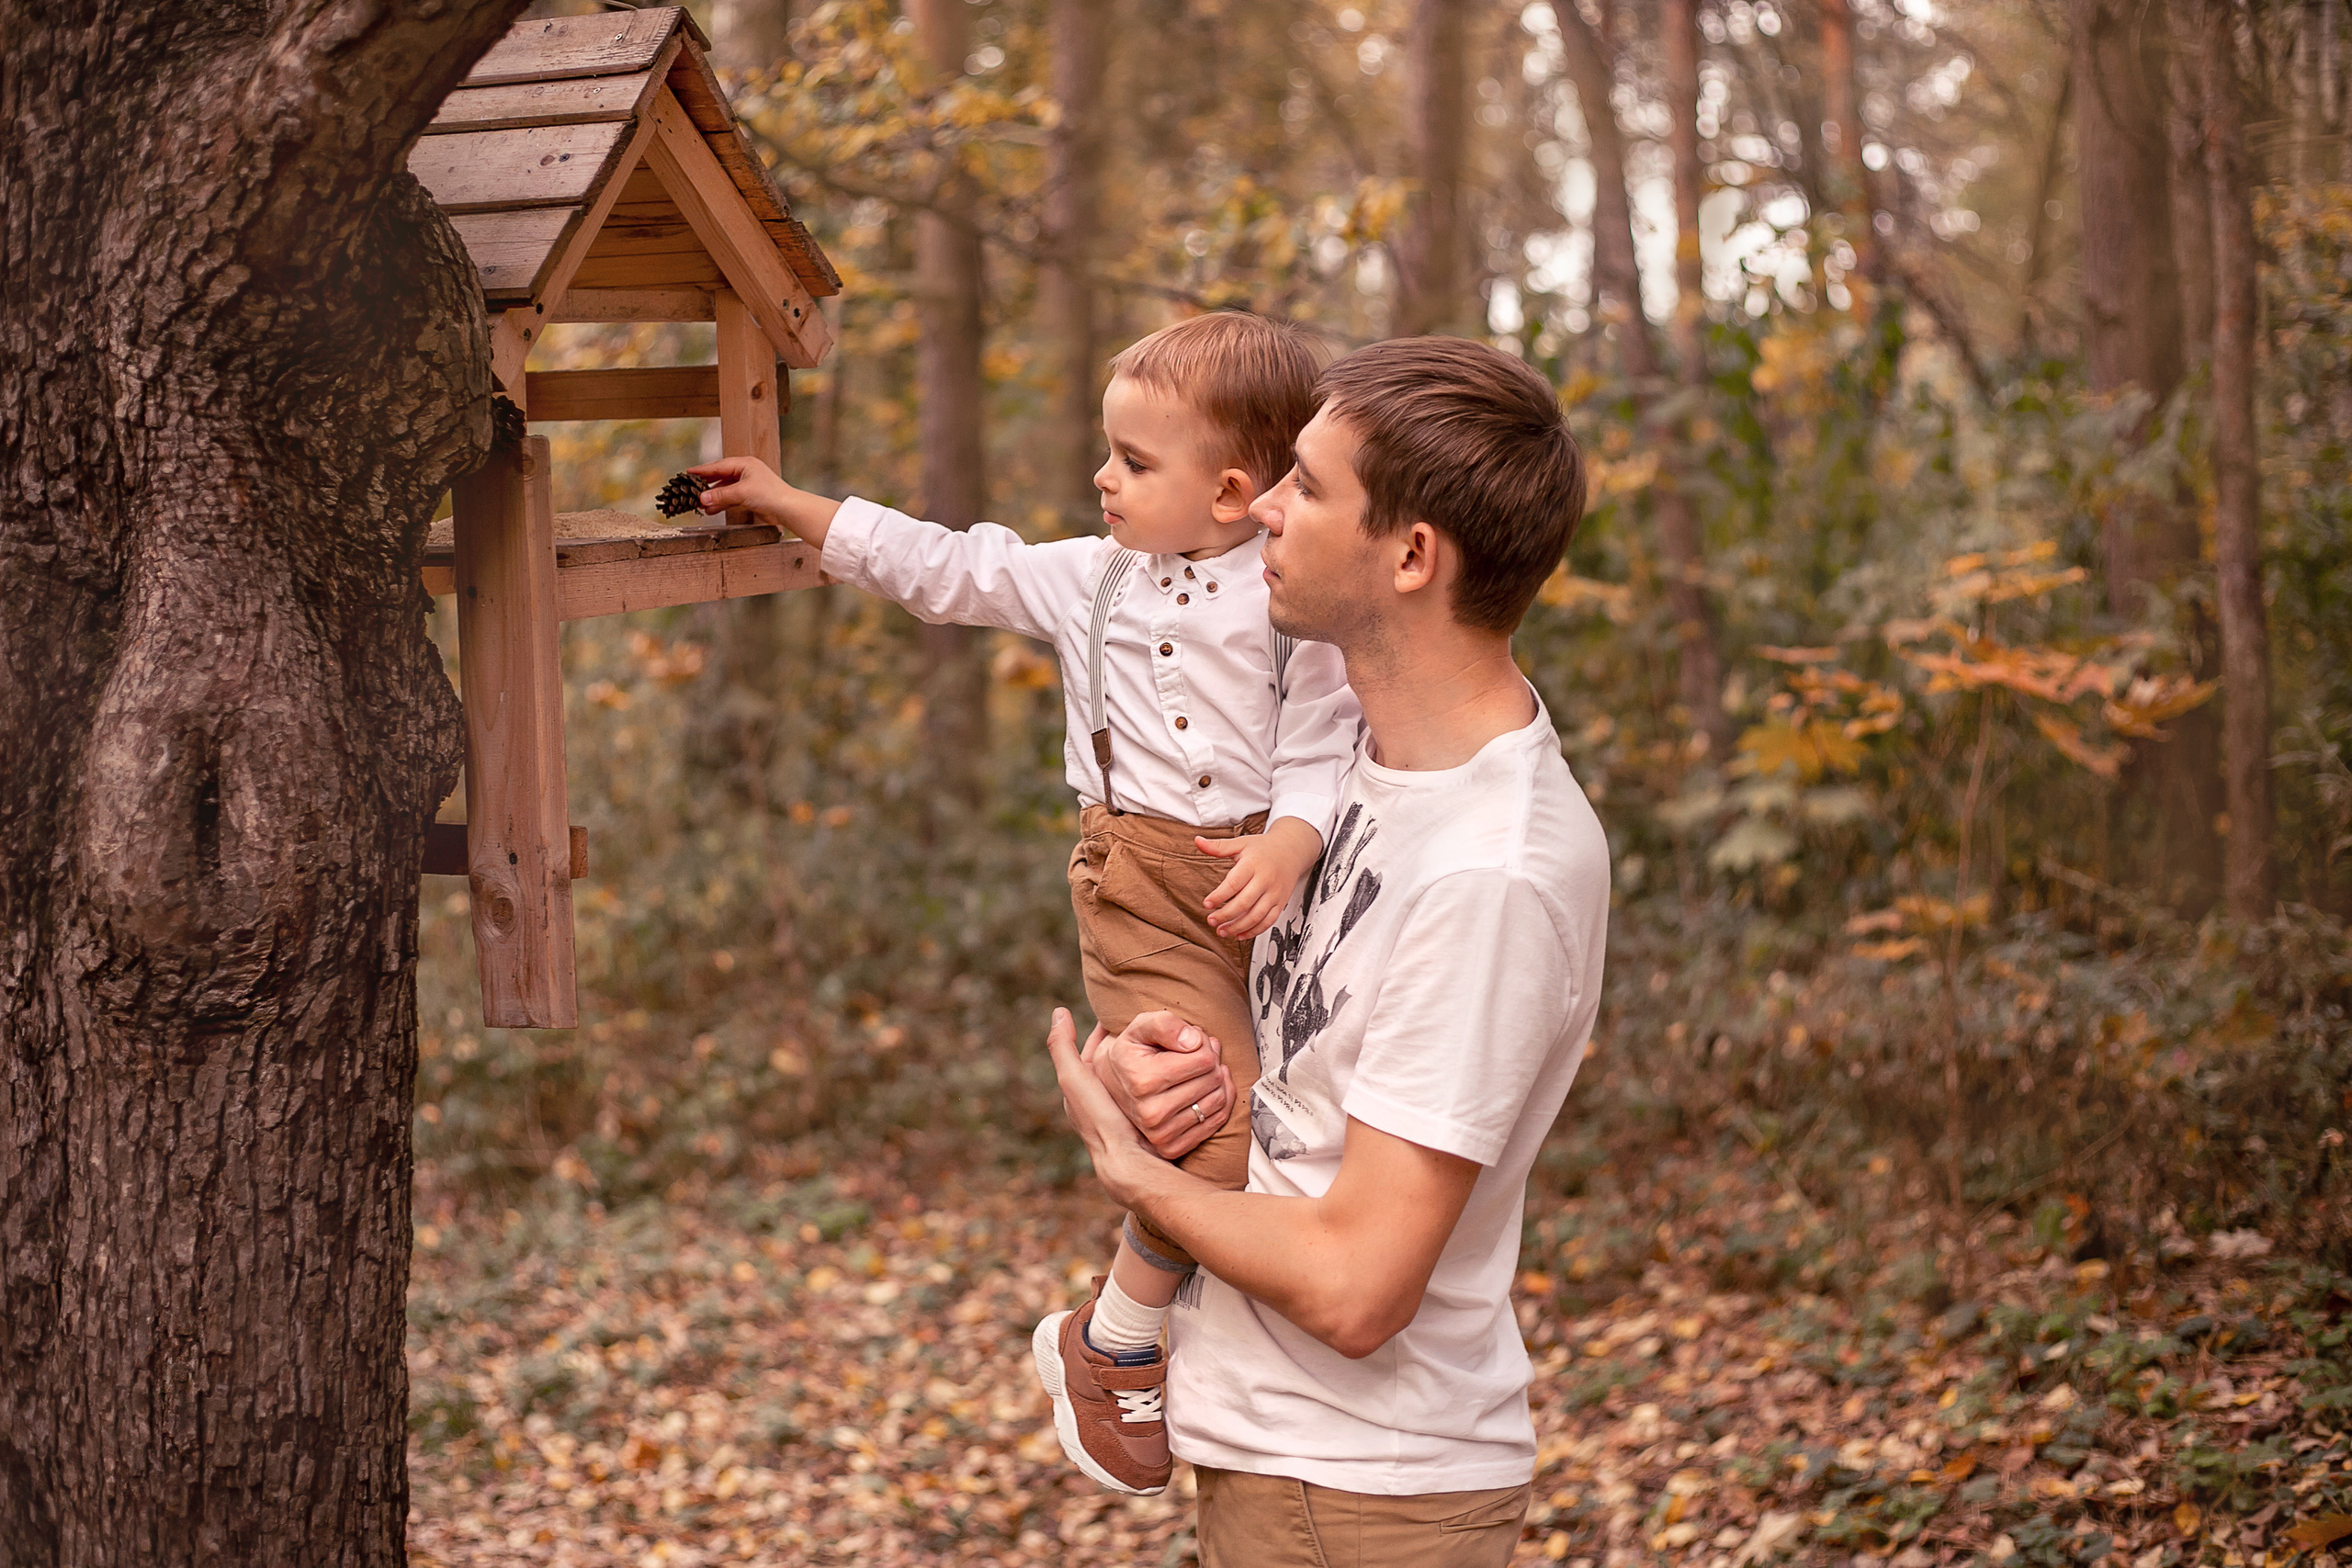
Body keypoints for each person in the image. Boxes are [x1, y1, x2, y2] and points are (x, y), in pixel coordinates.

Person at [684, 311, 1362, 1498]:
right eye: (1110, 452)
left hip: (1274, 883)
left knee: (1290, 1128)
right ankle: (1114, 1343)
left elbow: (1321, 740)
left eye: (1135, 463)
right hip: (1143, 890)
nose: (1101, 477)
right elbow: (946, 567)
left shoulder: (1291, 594)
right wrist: (798, 504)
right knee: (1210, 1114)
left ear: (1234, 490)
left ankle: (1203, 1343)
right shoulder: (1083, 578)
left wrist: (1295, 841)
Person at [1043, 333, 1607, 1568]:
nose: (1268, 510)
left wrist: (1136, 1178)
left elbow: (1360, 1286)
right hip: (1274, 1452)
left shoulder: (1491, 875)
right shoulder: (1346, 772)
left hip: (1365, 1498)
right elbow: (1292, 1066)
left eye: (1306, 484)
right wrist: (1160, 1069)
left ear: (1411, 555)